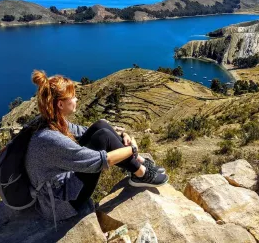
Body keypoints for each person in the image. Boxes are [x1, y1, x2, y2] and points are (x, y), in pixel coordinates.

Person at [25, 69, 168, 225]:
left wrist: (121, 136)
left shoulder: (52, 120)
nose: (77, 99)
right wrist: (132, 149)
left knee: (101, 125)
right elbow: (100, 160)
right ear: (60, 104)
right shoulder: (50, 138)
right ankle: (141, 173)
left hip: (61, 182)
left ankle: (139, 163)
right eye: (73, 97)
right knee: (103, 138)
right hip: (62, 202)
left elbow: (87, 131)